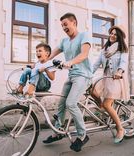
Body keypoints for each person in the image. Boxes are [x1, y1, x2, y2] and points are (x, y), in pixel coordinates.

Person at [42, 13, 93, 152]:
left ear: (74, 23)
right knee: (61, 105)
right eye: (62, 25)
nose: (64, 27)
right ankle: (58, 132)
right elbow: (50, 55)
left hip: (83, 75)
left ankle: (82, 135)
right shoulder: (64, 41)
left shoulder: (84, 36)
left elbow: (84, 55)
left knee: (71, 103)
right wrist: (39, 62)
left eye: (66, 24)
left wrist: (70, 62)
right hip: (72, 76)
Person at [92, 25, 130, 144]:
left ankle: (120, 128)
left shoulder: (122, 49)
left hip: (116, 79)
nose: (112, 36)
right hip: (106, 77)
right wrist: (87, 73)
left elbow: (123, 62)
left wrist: (119, 71)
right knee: (91, 90)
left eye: (115, 34)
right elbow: (96, 64)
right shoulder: (104, 50)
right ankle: (104, 109)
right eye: (111, 33)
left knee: (108, 104)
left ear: (118, 38)